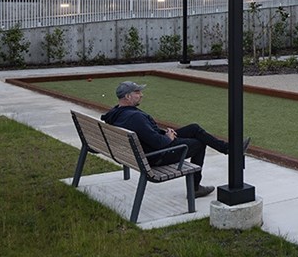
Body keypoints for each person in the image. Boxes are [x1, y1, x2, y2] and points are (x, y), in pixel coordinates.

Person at [101, 81, 249, 198]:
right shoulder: (134, 117)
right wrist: (168, 137)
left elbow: (146, 133)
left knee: (194, 128)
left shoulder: (116, 113)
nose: (141, 95)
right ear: (128, 97)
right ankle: (195, 188)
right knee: (199, 144)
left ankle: (227, 148)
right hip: (156, 155)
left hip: (145, 150)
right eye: (138, 92)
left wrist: (164, 132)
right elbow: (158, 143)